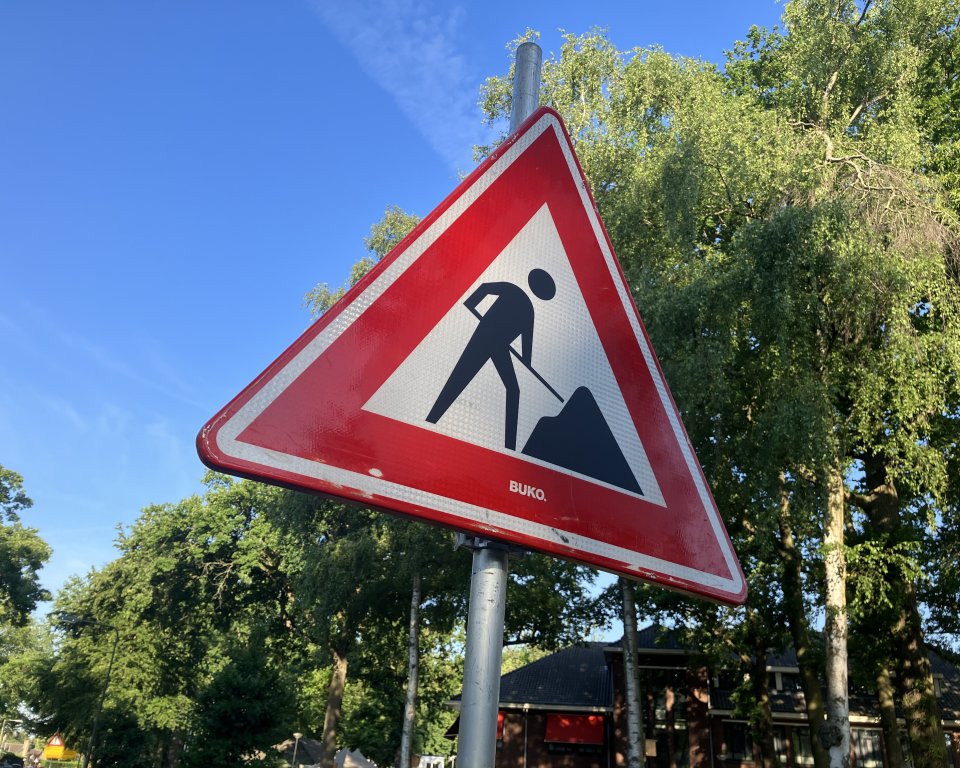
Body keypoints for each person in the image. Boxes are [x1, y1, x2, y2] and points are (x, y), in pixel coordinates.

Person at [426, 268, 556, 450]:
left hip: (499, 346)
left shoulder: (525, 306)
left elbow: (527, 343)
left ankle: (510, 448)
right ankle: (430, 420)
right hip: (484, 337)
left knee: (513, 389)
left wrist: (527, 363)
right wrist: (471, 304)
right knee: (460, 377)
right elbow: (485, 287)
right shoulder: (521, 300)